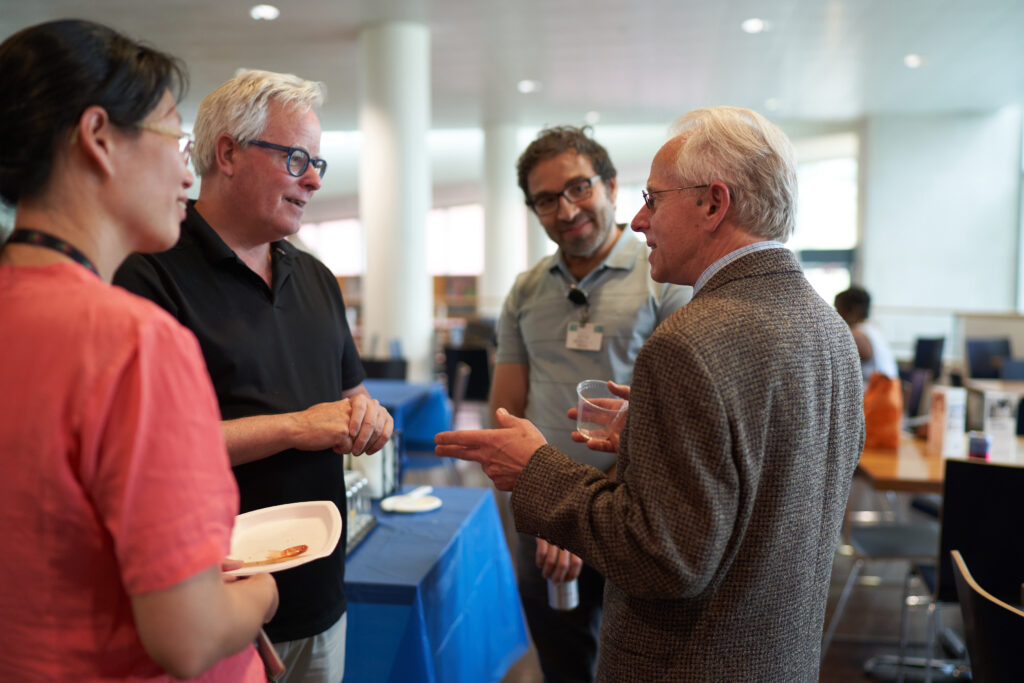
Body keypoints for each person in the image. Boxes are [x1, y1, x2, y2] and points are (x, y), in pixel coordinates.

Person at [436, 106, 865, 681]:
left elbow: (663, 557)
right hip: (778, 652)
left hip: (691, 658)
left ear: (713, 203)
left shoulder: (689, 341)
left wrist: (537, 470)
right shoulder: (829, 328)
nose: (640, 220)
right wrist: (649, 434)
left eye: (654, 199)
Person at [0, 19, 278, 681]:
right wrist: (261, 592)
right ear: (98, 137)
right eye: (175, 137)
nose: (188, 170)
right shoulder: (132, 340)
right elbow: (187, 636)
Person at [114, 69, 394, 683]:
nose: (314, 179)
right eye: (296, 158)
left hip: (320, 593)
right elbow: (146, 453)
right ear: (228, 154)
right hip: (206, 606)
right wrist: (298, 427)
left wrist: (367, 420)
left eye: (317, 161)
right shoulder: (148, 273)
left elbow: (352, 401)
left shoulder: (317, 278)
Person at [490, 125, 690, 682]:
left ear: (610, 186)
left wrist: (578, 512)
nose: (566, 208)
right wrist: (547, 504)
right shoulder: (526, 291)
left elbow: (676, 424)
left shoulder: (665, 282)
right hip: (543, 518)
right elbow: (506, 408)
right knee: (564, 662)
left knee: (636, 663)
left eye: (579, 188)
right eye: (547, 199)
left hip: (635, 512)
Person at [834, 285, 899, 383]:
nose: (835, 315)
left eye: (838, 309)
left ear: (854, 310)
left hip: (877, 395)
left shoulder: (856, 335)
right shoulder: (872, 329)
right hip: (887, 392)